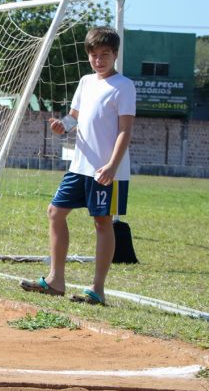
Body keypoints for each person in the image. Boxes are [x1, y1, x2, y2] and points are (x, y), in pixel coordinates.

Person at [20, 27, 136, 306]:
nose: (99, 60)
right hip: (79, 167)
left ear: (115, 55)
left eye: (105, 54)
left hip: (107, 171)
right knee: (55, 213)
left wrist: (111, 165)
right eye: (94, 55)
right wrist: (63, 126)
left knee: (102, 222)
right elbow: (74, 117)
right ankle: (55, 280)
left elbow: (125, 131)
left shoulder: (124, 86)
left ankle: (97, 289)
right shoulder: (85, 82)